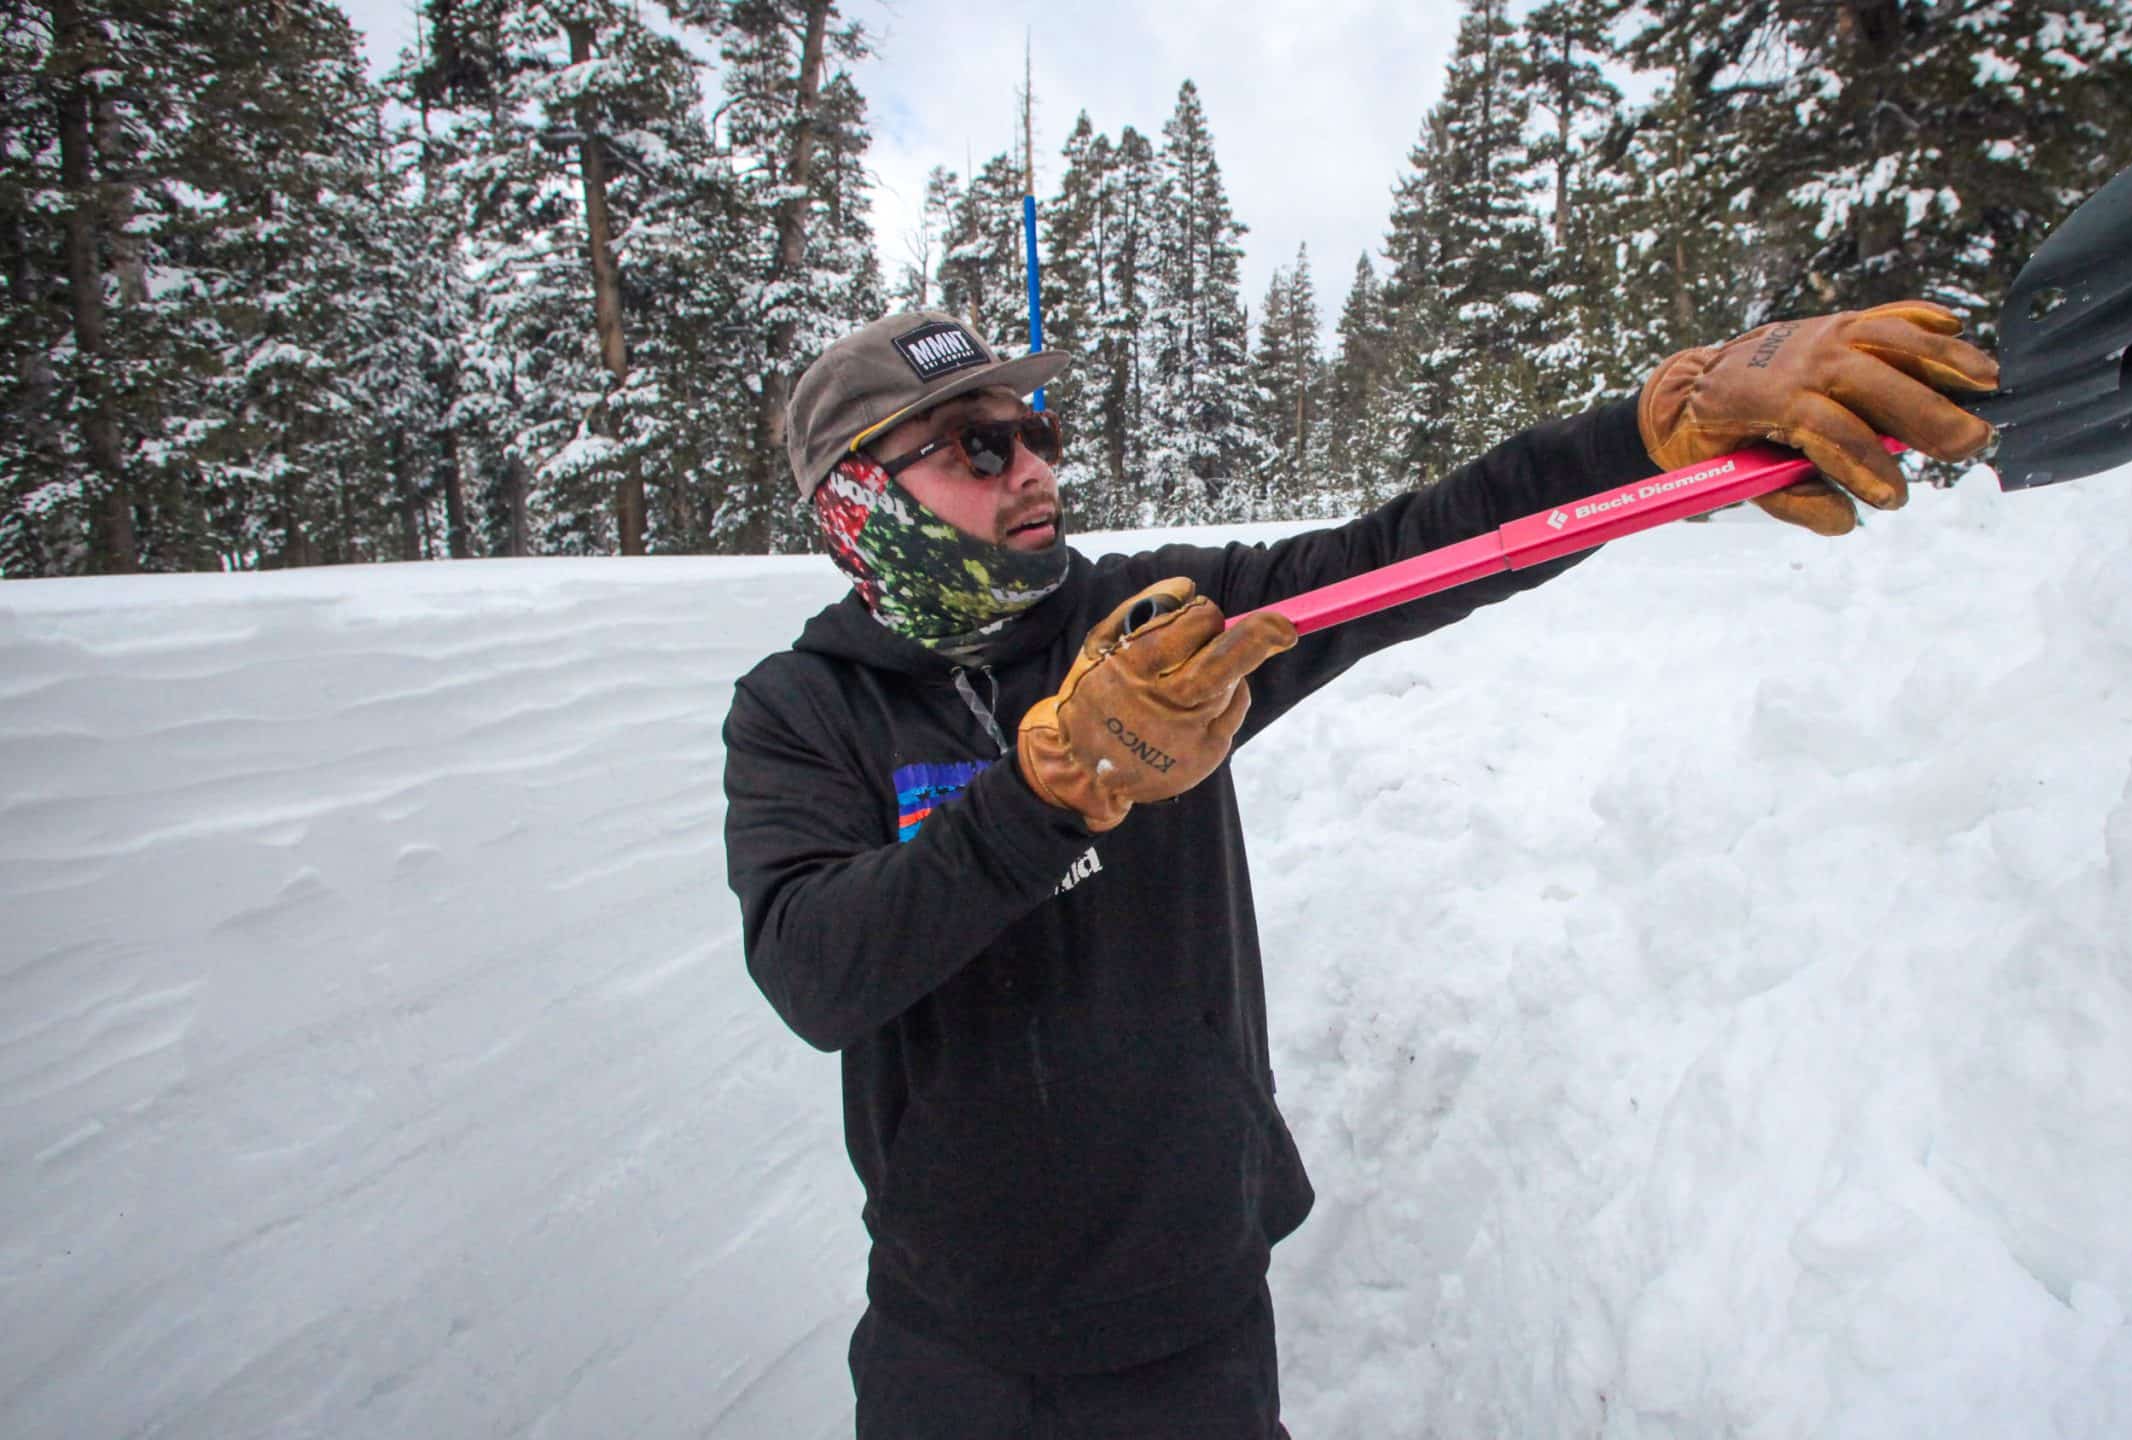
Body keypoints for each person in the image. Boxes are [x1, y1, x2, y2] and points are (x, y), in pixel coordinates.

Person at [721, 303, 1998, 1437]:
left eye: (1037, 432)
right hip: (956, 1346)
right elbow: (817, 972)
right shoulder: (801, 711)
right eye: (981, 447)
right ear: (859, 502)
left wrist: (1646, 437)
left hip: (1194, 1312)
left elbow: (1408, 553)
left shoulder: (1156, 630)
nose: (1035, 468)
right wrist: (1046, 793)